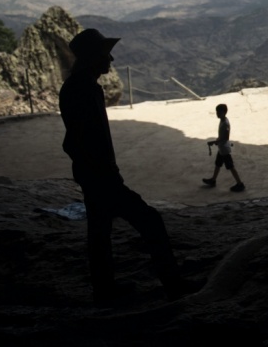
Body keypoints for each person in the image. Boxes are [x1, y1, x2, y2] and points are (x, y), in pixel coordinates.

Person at [59, 28, 203, 306]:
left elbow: (74, 142)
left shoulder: (78, 86)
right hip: (101, 177)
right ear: (92, 57)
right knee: (151, 222)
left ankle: (105, 291)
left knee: (99, 233)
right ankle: (174, 285)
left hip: (93, 175)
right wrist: (103, 171)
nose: (110, 59)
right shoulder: (83, 90)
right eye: (104, 53)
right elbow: (78, 140)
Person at [202, 103, 245, 192]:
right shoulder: (222, 120)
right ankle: (213, 180)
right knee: (218, 164)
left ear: (224, 112)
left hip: (224, 149)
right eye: (217, 112)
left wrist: (214, 142)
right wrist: (217, 141)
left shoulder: (225, 123)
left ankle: (240, 184)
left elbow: (225, 138)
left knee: (231, 167)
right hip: (221, 148)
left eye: (219, 112)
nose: (217, 114)